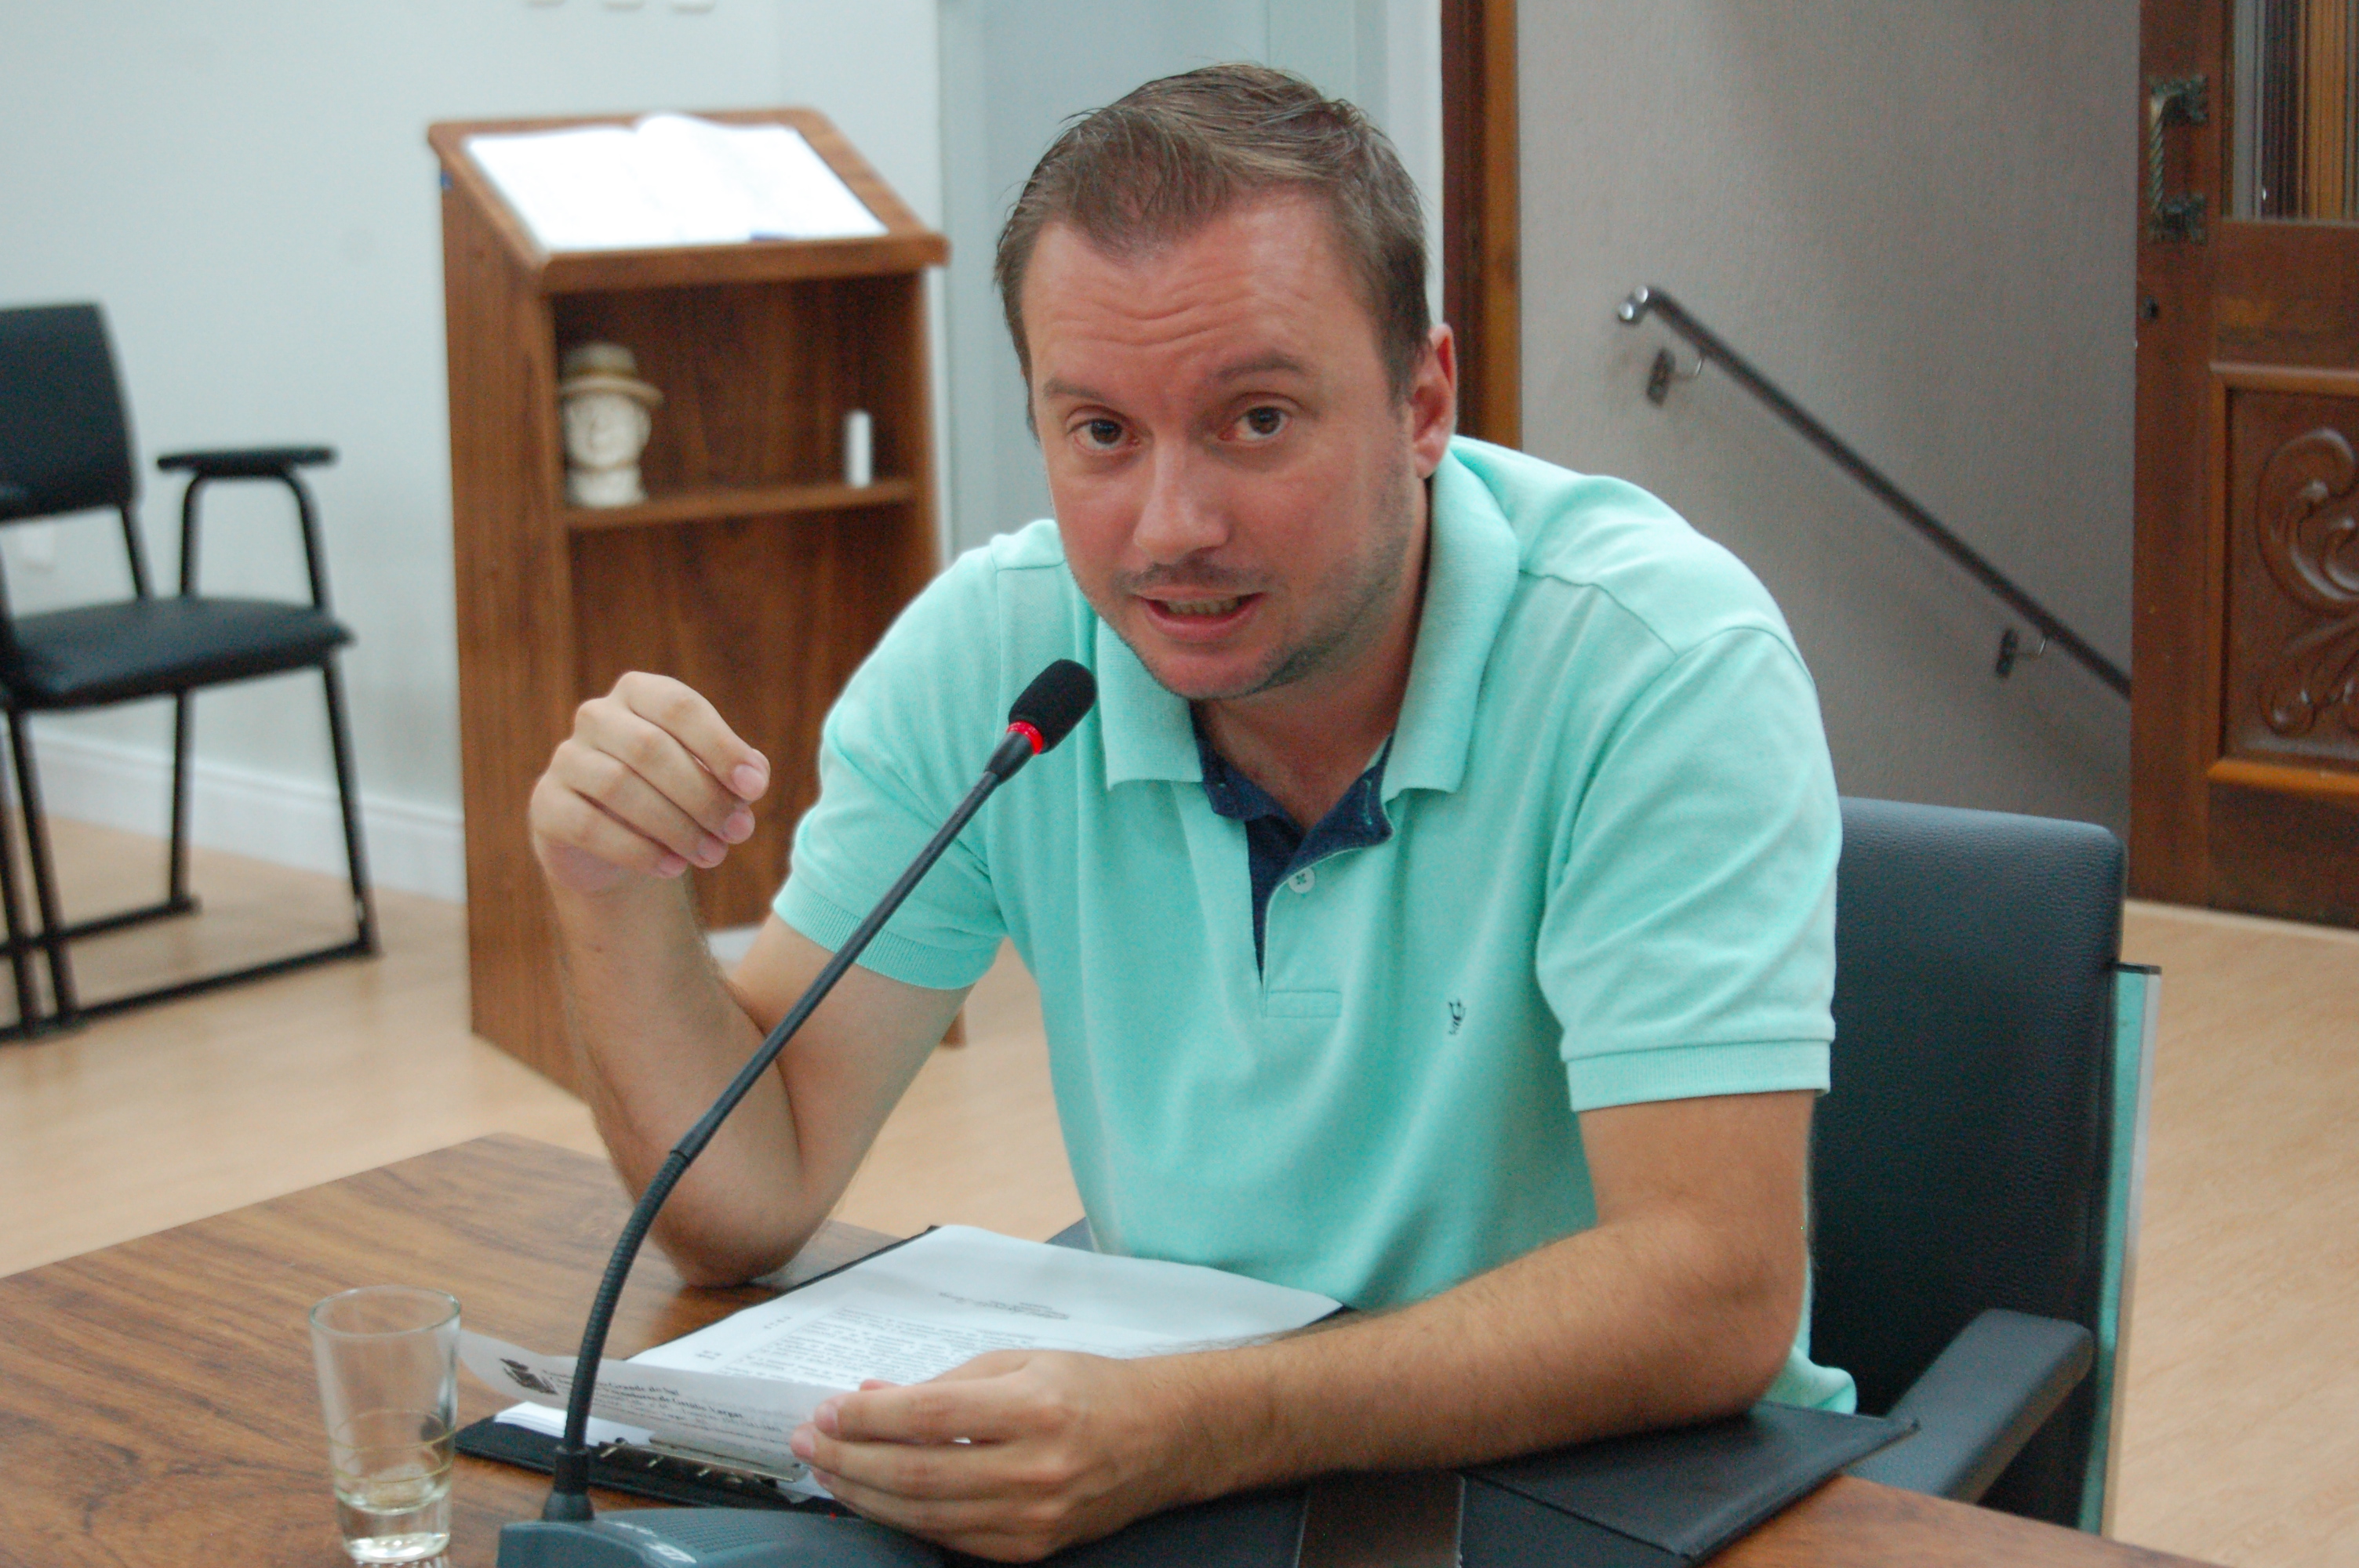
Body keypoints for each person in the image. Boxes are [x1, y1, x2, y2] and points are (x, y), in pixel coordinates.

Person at [528, 64, 1848, 1563]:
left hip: (1618, 1489)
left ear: (1423, 402)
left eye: (1257, 420)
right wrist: (608, 893)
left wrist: (1193, 1425)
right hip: (1195, 1488)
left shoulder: (1659, 665)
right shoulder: (998, 657)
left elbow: (1710, 1292)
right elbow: (743, 1197)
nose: (1171, 530)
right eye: (1101, 432)